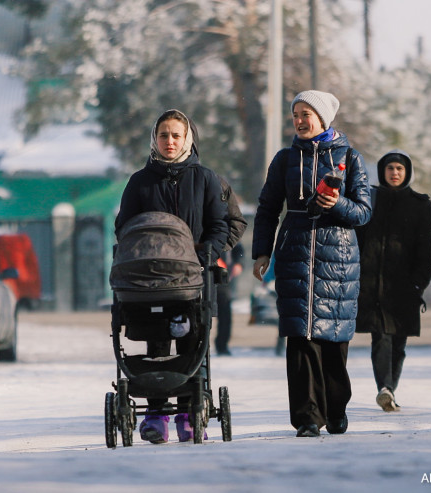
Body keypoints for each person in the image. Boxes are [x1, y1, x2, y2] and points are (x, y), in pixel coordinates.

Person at [252, 90, 372, 437]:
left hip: (339, 259)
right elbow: (268, 208)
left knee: (333, 339)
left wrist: (336, 204)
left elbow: (363, 212)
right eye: (296, 115)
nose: (301, 121)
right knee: (300, 338)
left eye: (307, 114)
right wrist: (263, 251)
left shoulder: (350, 158)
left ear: (323, 118)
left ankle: (336, 411)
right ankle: (306, 417)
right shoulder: (284, 159)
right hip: (296, 252)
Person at [114, 109, 229, 443]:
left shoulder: (205, 178)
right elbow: (124, 225)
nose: (169, 141)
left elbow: (219, 224)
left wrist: (207, 251)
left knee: (193, 344)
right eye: (163, 135)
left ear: (187, 139)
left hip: (193, 276)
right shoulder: (140, 181)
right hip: (151, 277)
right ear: (155, 138)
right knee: (157, 344)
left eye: (176, 135)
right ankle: (155, 413)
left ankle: (188, 412)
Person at [355, 150, 431, 412]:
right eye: (390, 168)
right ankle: (385, 388)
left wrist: (418, 284)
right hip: (372, 285)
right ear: (382, 172)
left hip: (404, 287)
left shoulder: (420, 205)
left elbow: (427, 253)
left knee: (399, 342)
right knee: (380, 338)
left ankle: (389, 388)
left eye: (399, 169)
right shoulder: (370, 201)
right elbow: (357, 241)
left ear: (407, 173)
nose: (394, 173)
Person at [215, 176, 247, 356]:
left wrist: (238, 263)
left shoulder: (228, 218)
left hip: (222, 275)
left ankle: (222, 345)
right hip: (200, 271)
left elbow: (238, 247)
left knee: (225, 311)